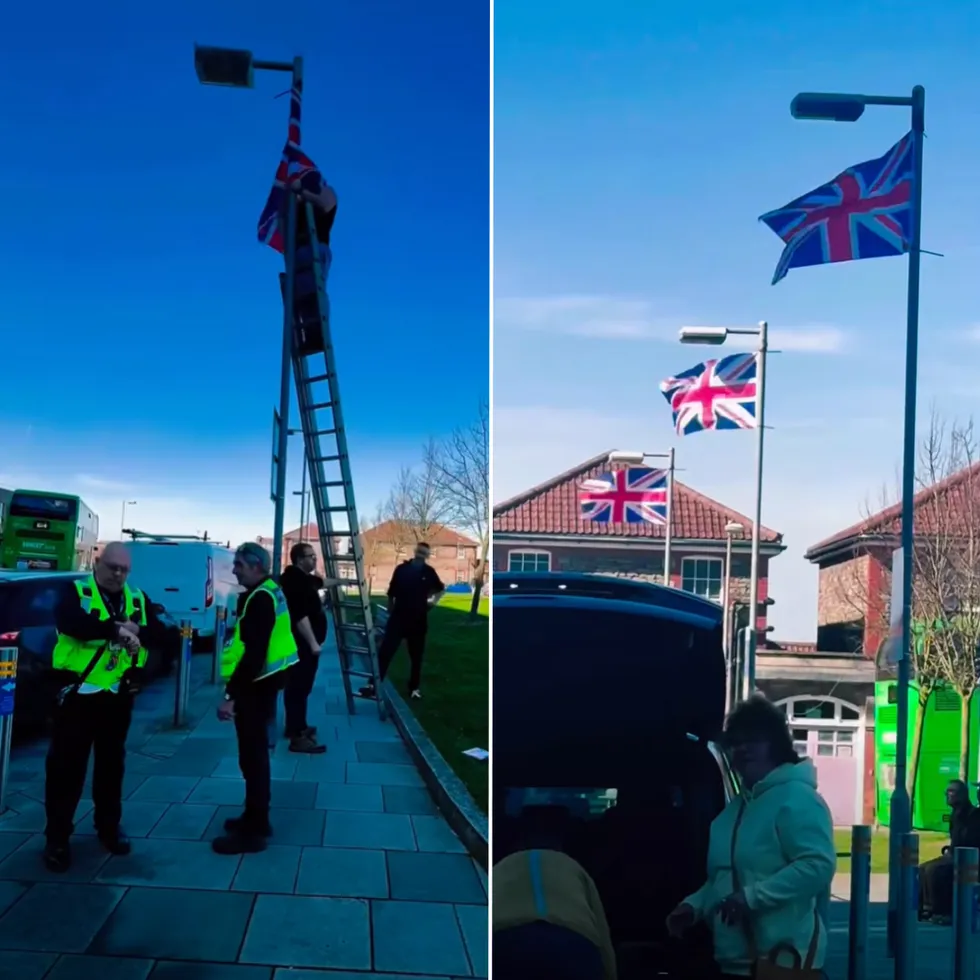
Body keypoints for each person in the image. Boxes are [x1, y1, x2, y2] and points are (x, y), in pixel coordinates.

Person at [665, 695, 836, 979]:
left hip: (783, 962)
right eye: (735, 743)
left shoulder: (798, 798)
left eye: (753, 740)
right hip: (734, 964)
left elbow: (817, 865)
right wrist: (693, 906)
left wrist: (751, 898)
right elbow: (724, 878)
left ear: (776, 744)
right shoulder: (733, 811)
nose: (742, 749)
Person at [43, 541, 170, 872]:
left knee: (111, 767)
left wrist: (138, 630)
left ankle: (109, 828)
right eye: (113, 567)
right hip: (79, 694)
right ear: (97, 563)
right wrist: (116, 630)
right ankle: (57, 839)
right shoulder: (76, 592)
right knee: (66, 770)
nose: (118, 574)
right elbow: (71, 623)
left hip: (116, 696)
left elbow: (162, 634)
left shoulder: (137, 598)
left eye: (124, 570)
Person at [211, 542, 299, 855]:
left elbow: (254, 654)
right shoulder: (268, 591)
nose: (234, 570)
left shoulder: (260, 598)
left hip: (256, 687)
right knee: (255, 756)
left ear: (256, 566)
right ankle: (254, 817)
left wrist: (231, 696)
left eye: (239, 565)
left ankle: (255, 830)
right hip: (264, 684)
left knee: (253, 758)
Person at [493, 805, 616, 980]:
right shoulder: (573, 867)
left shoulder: (503, 866)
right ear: (561, 840)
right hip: (571, 944)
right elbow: (602, 931)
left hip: (508, 941)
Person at [280, 541, 346, 754]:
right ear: (300, 559)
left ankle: (296, 726)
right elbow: (300, 616)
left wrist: (343, 580)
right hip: (301, 645)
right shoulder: (295, 582)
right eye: (311, 556)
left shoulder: (301, 578)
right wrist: (313, 643)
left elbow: (322, 582)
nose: (315, 559)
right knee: (298, 687)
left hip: (303, 644)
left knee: (301, 687)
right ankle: (297, 736)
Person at [360, 542, 445, 701]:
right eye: (419, 551)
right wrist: (390, 608)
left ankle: (414, 688)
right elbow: (391, 591)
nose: (421, 554)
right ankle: (373, 685)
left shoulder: (429, 572)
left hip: (418, 620)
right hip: (398, 618)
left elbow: (440, 589)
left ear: (427, 555)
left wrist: (432, 603)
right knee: (385, 652)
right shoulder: (401, 569)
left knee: (416, 657)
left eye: (424, 552)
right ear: (415, 551)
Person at [919, 779, 979, 923]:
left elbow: (968, 840)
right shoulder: (955, 815)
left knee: (934, 870)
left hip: (969, 857)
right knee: (922, 868)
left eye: (952, 791)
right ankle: (926, 907)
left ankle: (943, 911)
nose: (947, 795)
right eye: (947, 792)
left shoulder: (973, 815)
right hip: (955, 854)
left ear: (962, 795)